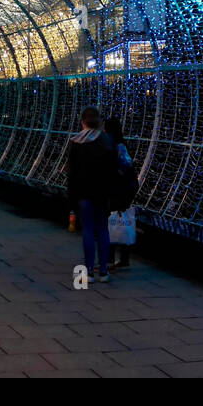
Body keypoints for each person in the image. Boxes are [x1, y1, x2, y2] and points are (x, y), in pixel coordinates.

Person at [67, 106, 116, 284]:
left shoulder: (75, 142)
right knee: (102, 229)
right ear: (99, 122)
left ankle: (88, 272)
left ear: (83, 122)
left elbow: (71, 172)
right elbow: (113, 170)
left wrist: (71, 196)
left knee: (87, 230)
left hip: (83, 192)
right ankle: (103, 271)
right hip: (102, 193)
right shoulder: (107, 141)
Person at [103, 116, 137, 271]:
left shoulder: (114, 145)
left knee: (110, 221)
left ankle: (110, 259)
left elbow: (122, 168)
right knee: (121, 221)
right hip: (124, 188)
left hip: (116, 189)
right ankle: (123, 258)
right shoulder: (121, 143)